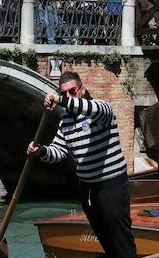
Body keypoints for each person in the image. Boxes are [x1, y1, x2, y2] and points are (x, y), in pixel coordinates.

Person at [27, 71, 136, 258]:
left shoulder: (100, 109)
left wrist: (61, 101)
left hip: (111, 185)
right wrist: (41, 151)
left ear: (82, 89)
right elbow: (58, 152)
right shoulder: (66, 122)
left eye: (72, 91)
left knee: (120, 238)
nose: (68, 96)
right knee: (105, 239)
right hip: (87, 189)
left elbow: (92, 109)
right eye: (64, 93)